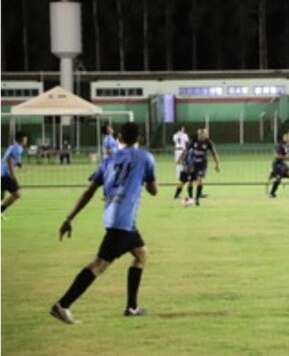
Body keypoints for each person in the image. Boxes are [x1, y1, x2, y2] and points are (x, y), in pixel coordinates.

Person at [50, 122, 157, 324]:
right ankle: (62, 305)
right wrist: (142, 180)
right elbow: (154, 190)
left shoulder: (109, 160)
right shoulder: (146, 157)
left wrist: (69, 218)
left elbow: (89, 191)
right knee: (99, 265)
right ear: (140, 138)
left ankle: (132, 307)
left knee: (142, 254)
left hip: (113, 217)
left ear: (120, 138)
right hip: (122, 222)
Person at [177, 128, 220, 206]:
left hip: (202, 165)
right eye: (200, 134)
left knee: (199, 180)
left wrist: (217, 164)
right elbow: (186, 150)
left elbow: (214, 154)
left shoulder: (208, 142)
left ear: (206, 135)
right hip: (193, 164)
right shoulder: (194, 140)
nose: (201, 136)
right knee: (190, 181)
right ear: (198, 134)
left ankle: (197, 199)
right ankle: (190, 198)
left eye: (203, 135)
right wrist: (180, 158)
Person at [1, 131, 28, 214]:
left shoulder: (13, 146)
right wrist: (12, 173)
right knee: (17, 195)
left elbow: (10, 158)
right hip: (7, 175)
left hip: (2, 173)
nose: (26, 140)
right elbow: (9, 159)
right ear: (22, 139)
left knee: (1, 196)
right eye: (25, 138)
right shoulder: (18, 148)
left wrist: (19, 164)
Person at [268, 134, 289, 198]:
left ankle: (275, 174)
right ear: (284, 138)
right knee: (278, 179)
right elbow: (277, 156)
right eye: (287, 137)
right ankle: (272, 193)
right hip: (277, 164)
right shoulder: (281, 145)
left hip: (282, 163)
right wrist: (287, 157)